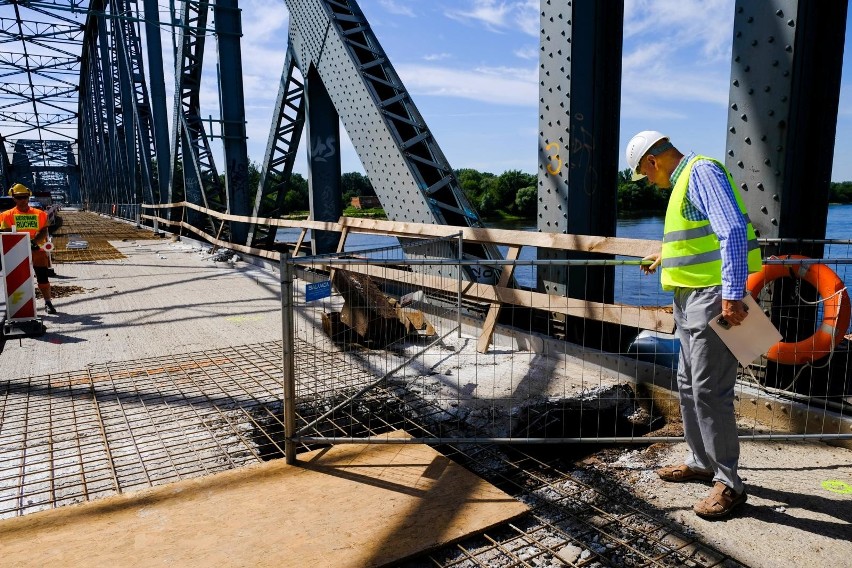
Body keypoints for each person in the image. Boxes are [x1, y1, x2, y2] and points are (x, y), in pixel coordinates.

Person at [626, 131, 762, 519]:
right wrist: (665, 255)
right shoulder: (688, 179)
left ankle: (729, 483)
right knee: (688, 384)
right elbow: (698, 241)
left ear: (652, 162)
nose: (649, 182)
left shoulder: (700, 172)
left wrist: (733, 294)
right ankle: (701, 462)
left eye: (644, 174)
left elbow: (732, 231)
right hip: (689, 298)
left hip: (710, 296)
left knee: (708, 389)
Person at [0, 183, 56, 314]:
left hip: (37, 250)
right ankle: (19, 306)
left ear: (28, 197)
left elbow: (43, 230)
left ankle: (48, 302)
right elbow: (6, 232)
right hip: (16, 251)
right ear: (13, 198)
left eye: (25, 197)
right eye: (19, 197)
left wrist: (34, 241)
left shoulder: (39, 214)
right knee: (18, 278)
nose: (22, 200)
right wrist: (21, 242)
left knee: (42, 277)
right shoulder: (6, 215)